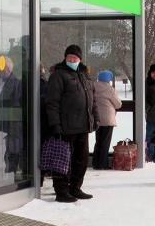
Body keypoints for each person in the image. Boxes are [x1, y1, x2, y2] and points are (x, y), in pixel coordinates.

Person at [46, 44, 99, 203]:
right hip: (66, 128)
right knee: (63, 160)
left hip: (83, 126)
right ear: (65, 58)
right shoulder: (58, 75)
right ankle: (61, 191)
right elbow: (52, 102)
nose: (72, 60)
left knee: (81, 160)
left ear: (80, 59)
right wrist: (55, 124)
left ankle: (75, 188)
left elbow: (93, 101)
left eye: (75, 58)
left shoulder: (85, 75)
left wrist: (95, 118)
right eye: (69, 57)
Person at [0, 57, 25, 177]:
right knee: (10, 148)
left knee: (13, 149)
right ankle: (10, 172)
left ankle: (11, 172)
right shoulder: (5, 83)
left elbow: (14, 106)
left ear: (6, 68)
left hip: (12, 124)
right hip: (9, 123)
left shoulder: (14, 84)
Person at [92, 70, 122, 169]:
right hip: (107, 119)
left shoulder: (93, 86)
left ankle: (95, 163)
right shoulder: (109, 89)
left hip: (96, 118)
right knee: (105, 142)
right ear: (108, 79)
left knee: (98, 141)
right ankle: (102, 164)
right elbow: (118, 104)